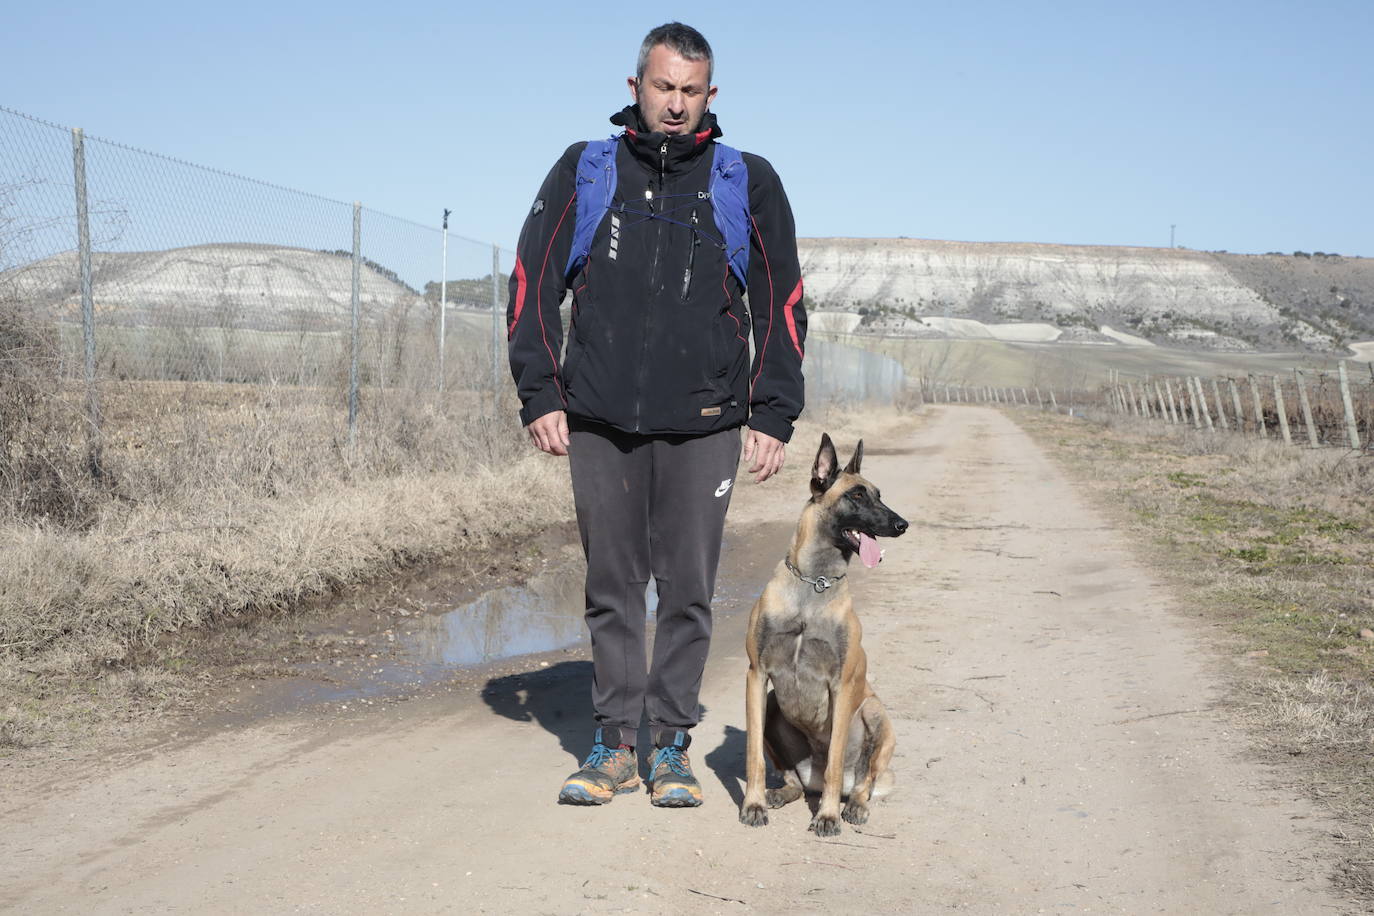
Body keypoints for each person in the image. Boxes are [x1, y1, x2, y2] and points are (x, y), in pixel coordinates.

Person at [506, 22, 805, 808]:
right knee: (612, 584)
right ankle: (613, 745)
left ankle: (669, 744)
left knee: (687, 589)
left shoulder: (747, 179)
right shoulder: (588, 168)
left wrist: (771, 411)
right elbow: (532, 278)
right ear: (635, 86)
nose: (675, 105)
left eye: (691, 90)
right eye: (663, 86)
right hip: (599, 417)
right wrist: (541, 391)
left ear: (712, 96)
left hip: (706, 420)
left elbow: (782, 303)